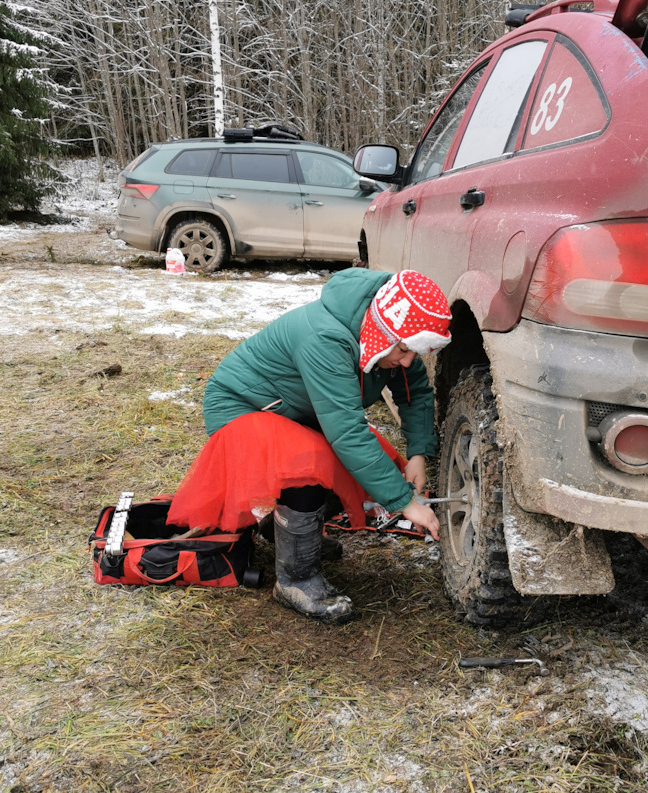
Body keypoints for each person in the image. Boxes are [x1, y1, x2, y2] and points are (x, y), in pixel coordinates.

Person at [167, 267, 452, 624]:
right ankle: (295, 581)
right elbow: (346, 432)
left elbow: (415, 394)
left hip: (295, 410)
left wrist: (418, 454)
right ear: (383, 330)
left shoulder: (389, 329)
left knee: (365, 464)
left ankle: (285, 535)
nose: (408, 360)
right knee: (311, 463)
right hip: (242, 408)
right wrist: (405, 502)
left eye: (415, 351)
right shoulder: (326, 338)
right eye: (404, 350)